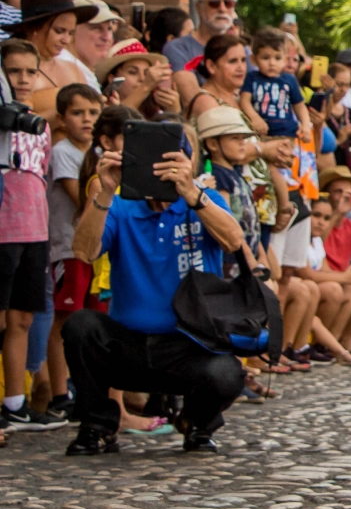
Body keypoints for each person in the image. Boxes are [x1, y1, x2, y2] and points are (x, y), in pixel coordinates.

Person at [62, 135, 248, 455]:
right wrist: (105, 191)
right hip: (130, 343)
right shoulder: (121, 206)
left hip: (189, 344)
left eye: (171, 161)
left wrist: (191, 192)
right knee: (81, 326)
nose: (160, 170)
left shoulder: (205, 199)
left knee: (228, 374)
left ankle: (196, 422)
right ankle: (98, 424)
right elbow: (83, 251)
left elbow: (233, 242)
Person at [0, 38, 65, 430]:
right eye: (13, 71)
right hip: (3, 229)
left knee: (23, 317)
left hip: (34, 229)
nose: (23, 79)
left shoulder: (40, 127)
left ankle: (15, 402)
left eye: (29, 71)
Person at [41, 83, 102, 422]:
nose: (87, 120)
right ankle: (59, 391)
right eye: (78, 113)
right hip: (68, 247)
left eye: (93, 113)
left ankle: (86, 387)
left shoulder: (96, 152)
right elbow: (83, 202)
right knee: (65, 320)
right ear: (63, 119)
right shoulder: (63, 152)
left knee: (93, 319)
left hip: (95, 251)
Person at [239, 27, 311, 143]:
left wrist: (306, 126)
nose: (272, 63)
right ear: (254, 59)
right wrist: (255, 118)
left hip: (287, 135)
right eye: (266, 58)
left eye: (277, 58)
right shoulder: (252, 78)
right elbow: (244, 101)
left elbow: (300, 106)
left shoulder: (289, 80)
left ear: (285, 59)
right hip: (261, 135)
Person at [164, 0, 239, 70]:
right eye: (214, 3)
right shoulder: (178, 48)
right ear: (199, 7)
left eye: (228, 3)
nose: (222, 9)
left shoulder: (242, 50)